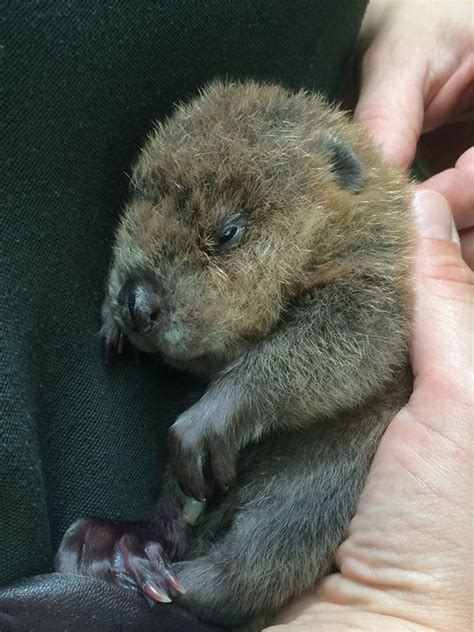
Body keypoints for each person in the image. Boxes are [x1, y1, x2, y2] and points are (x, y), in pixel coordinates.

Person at [1, 1, 472, 631]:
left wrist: (239, 400)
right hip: (186, 466)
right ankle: (157, 542)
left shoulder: (364, 248)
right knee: (190, 462)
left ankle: (219, 584)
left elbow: (353, 340)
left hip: (323, 480)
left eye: (224, 236)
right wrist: (127, 294)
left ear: (339, 180)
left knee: (321, 480)